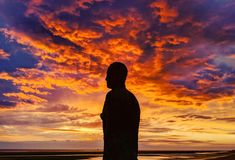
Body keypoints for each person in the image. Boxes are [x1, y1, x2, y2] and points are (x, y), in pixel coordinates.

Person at [100, 62, 140, 160]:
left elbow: (111, 132)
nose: (106, 79)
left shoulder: (112, 96)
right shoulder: (132, 98)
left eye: (109, 75)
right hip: (130, 155)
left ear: (117, 76)